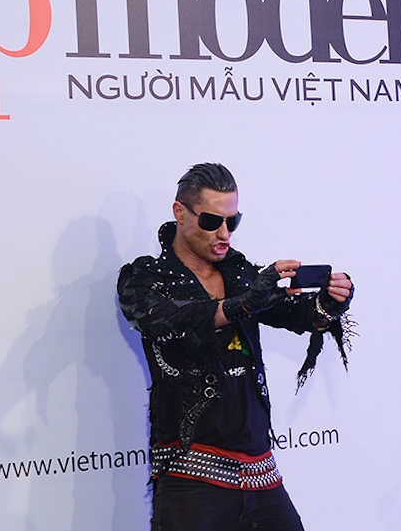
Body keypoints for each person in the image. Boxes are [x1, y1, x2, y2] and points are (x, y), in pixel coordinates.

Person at [117, 163, 355, 531]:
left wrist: (329, 303)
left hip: (262, 475)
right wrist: (245, 303)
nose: (224, 233)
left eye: (233, 221)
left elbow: (297, 314)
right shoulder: (145, 278)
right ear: (180, 212)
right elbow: (167, 321)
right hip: (191, 480)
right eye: (212, 221)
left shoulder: (240, 273)